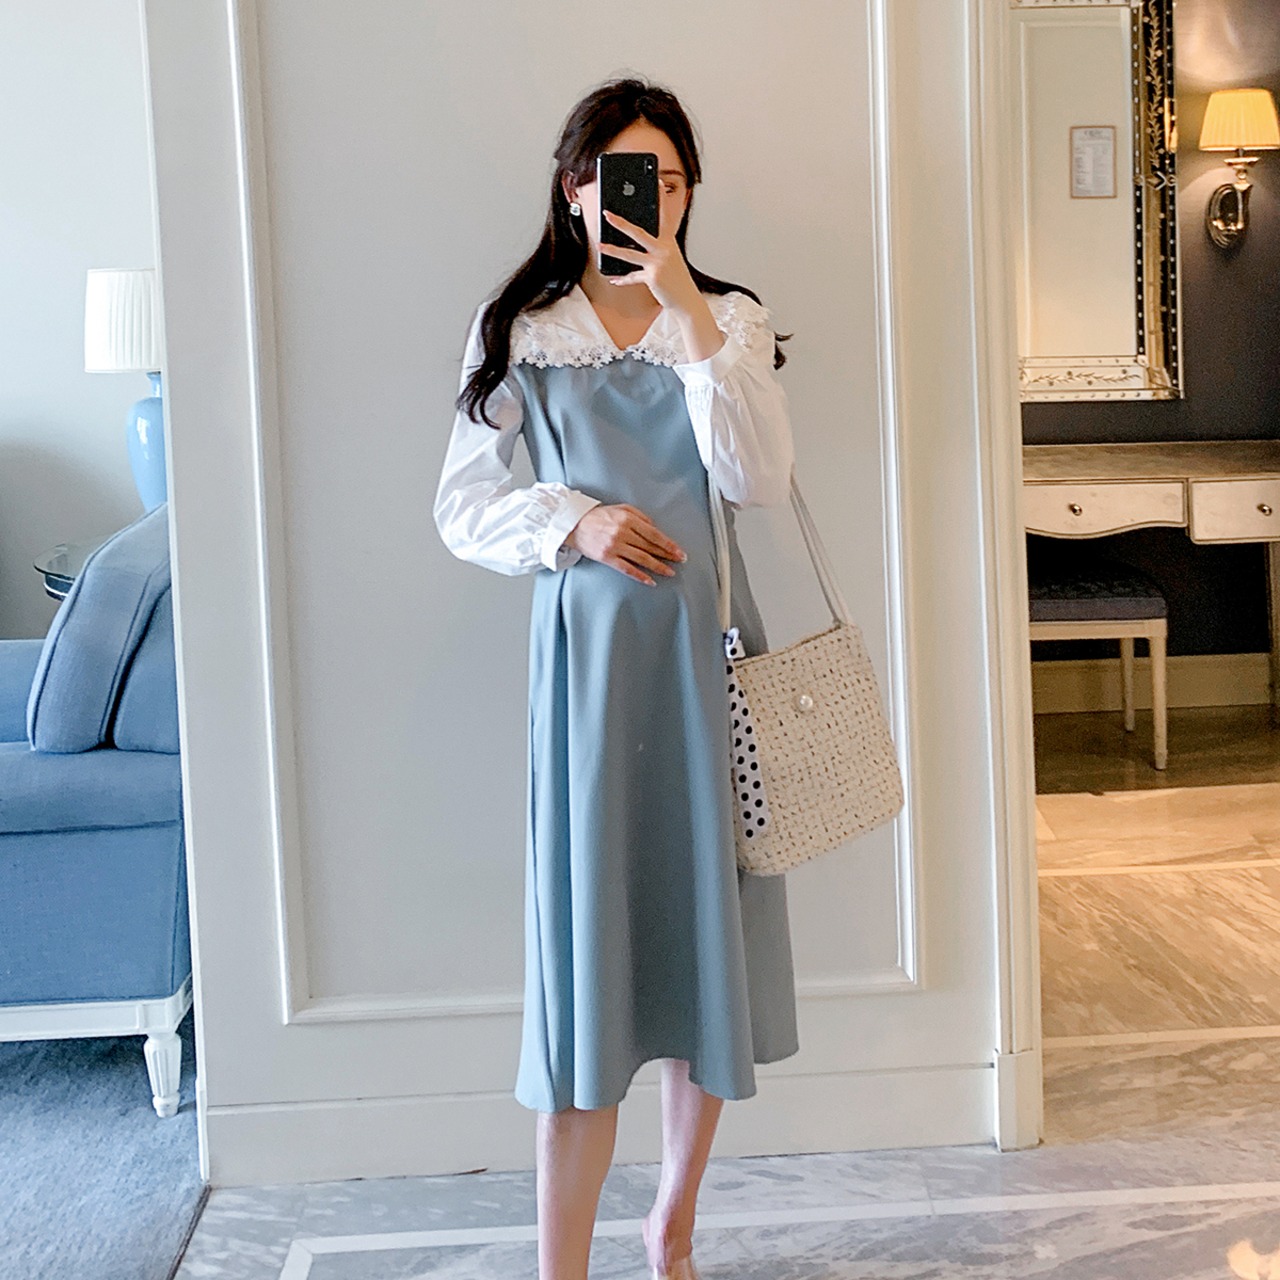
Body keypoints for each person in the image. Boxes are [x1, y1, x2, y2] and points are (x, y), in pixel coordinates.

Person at [433, 75, 800, 1280]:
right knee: (585, 983)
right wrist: (573, 520)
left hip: (705, 662)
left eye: (670, 180)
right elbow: (461, 506)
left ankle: (672, 1223)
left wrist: (685, 309)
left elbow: (753, 481)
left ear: (688, 194)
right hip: (590, 681)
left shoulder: (727, 320)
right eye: (620, 177)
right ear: (573, 187)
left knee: (703, 957)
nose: (647, 199)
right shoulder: (522, 329)